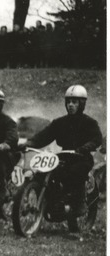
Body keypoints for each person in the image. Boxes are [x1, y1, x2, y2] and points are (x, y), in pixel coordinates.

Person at [22, 85, 103, 216]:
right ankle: (53, 202)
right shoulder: (60, 122)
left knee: (74, 172)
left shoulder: (89, 123)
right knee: (43, 173)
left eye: (74, 102)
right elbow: (45, 135)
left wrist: (84, 148)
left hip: (82, 158)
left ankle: (79, 204)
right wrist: (30, 143)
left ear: (81, 104)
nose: (70, 105)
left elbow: (96, 139)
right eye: (68, 102)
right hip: (63, 156)